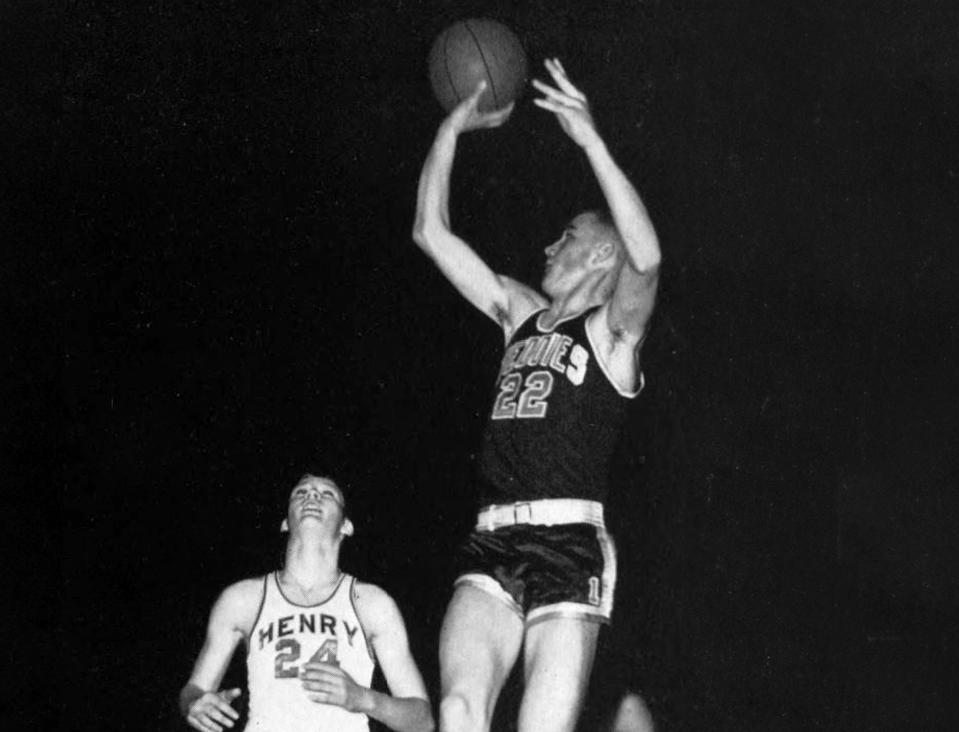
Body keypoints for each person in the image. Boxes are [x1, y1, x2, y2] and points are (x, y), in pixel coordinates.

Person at [412, 58, 661, 732]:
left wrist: (591, 142)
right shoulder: (518, 313)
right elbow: (430, 233)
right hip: (493, 537)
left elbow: (647, 259)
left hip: (569, 544)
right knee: (459, 708)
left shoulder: (612, 335)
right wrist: (450, 130)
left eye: (569, 237)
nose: (551, 245)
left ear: (600, 257)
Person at [179, 474, 435, 732]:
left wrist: (363, 698)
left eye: (327, 494)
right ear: (284, 523)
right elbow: (194, 689)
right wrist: (195, 705)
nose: (312, 496)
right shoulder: (242, 599)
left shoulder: (371, 603)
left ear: (346, 526)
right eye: (301, 493)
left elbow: (422, 720)